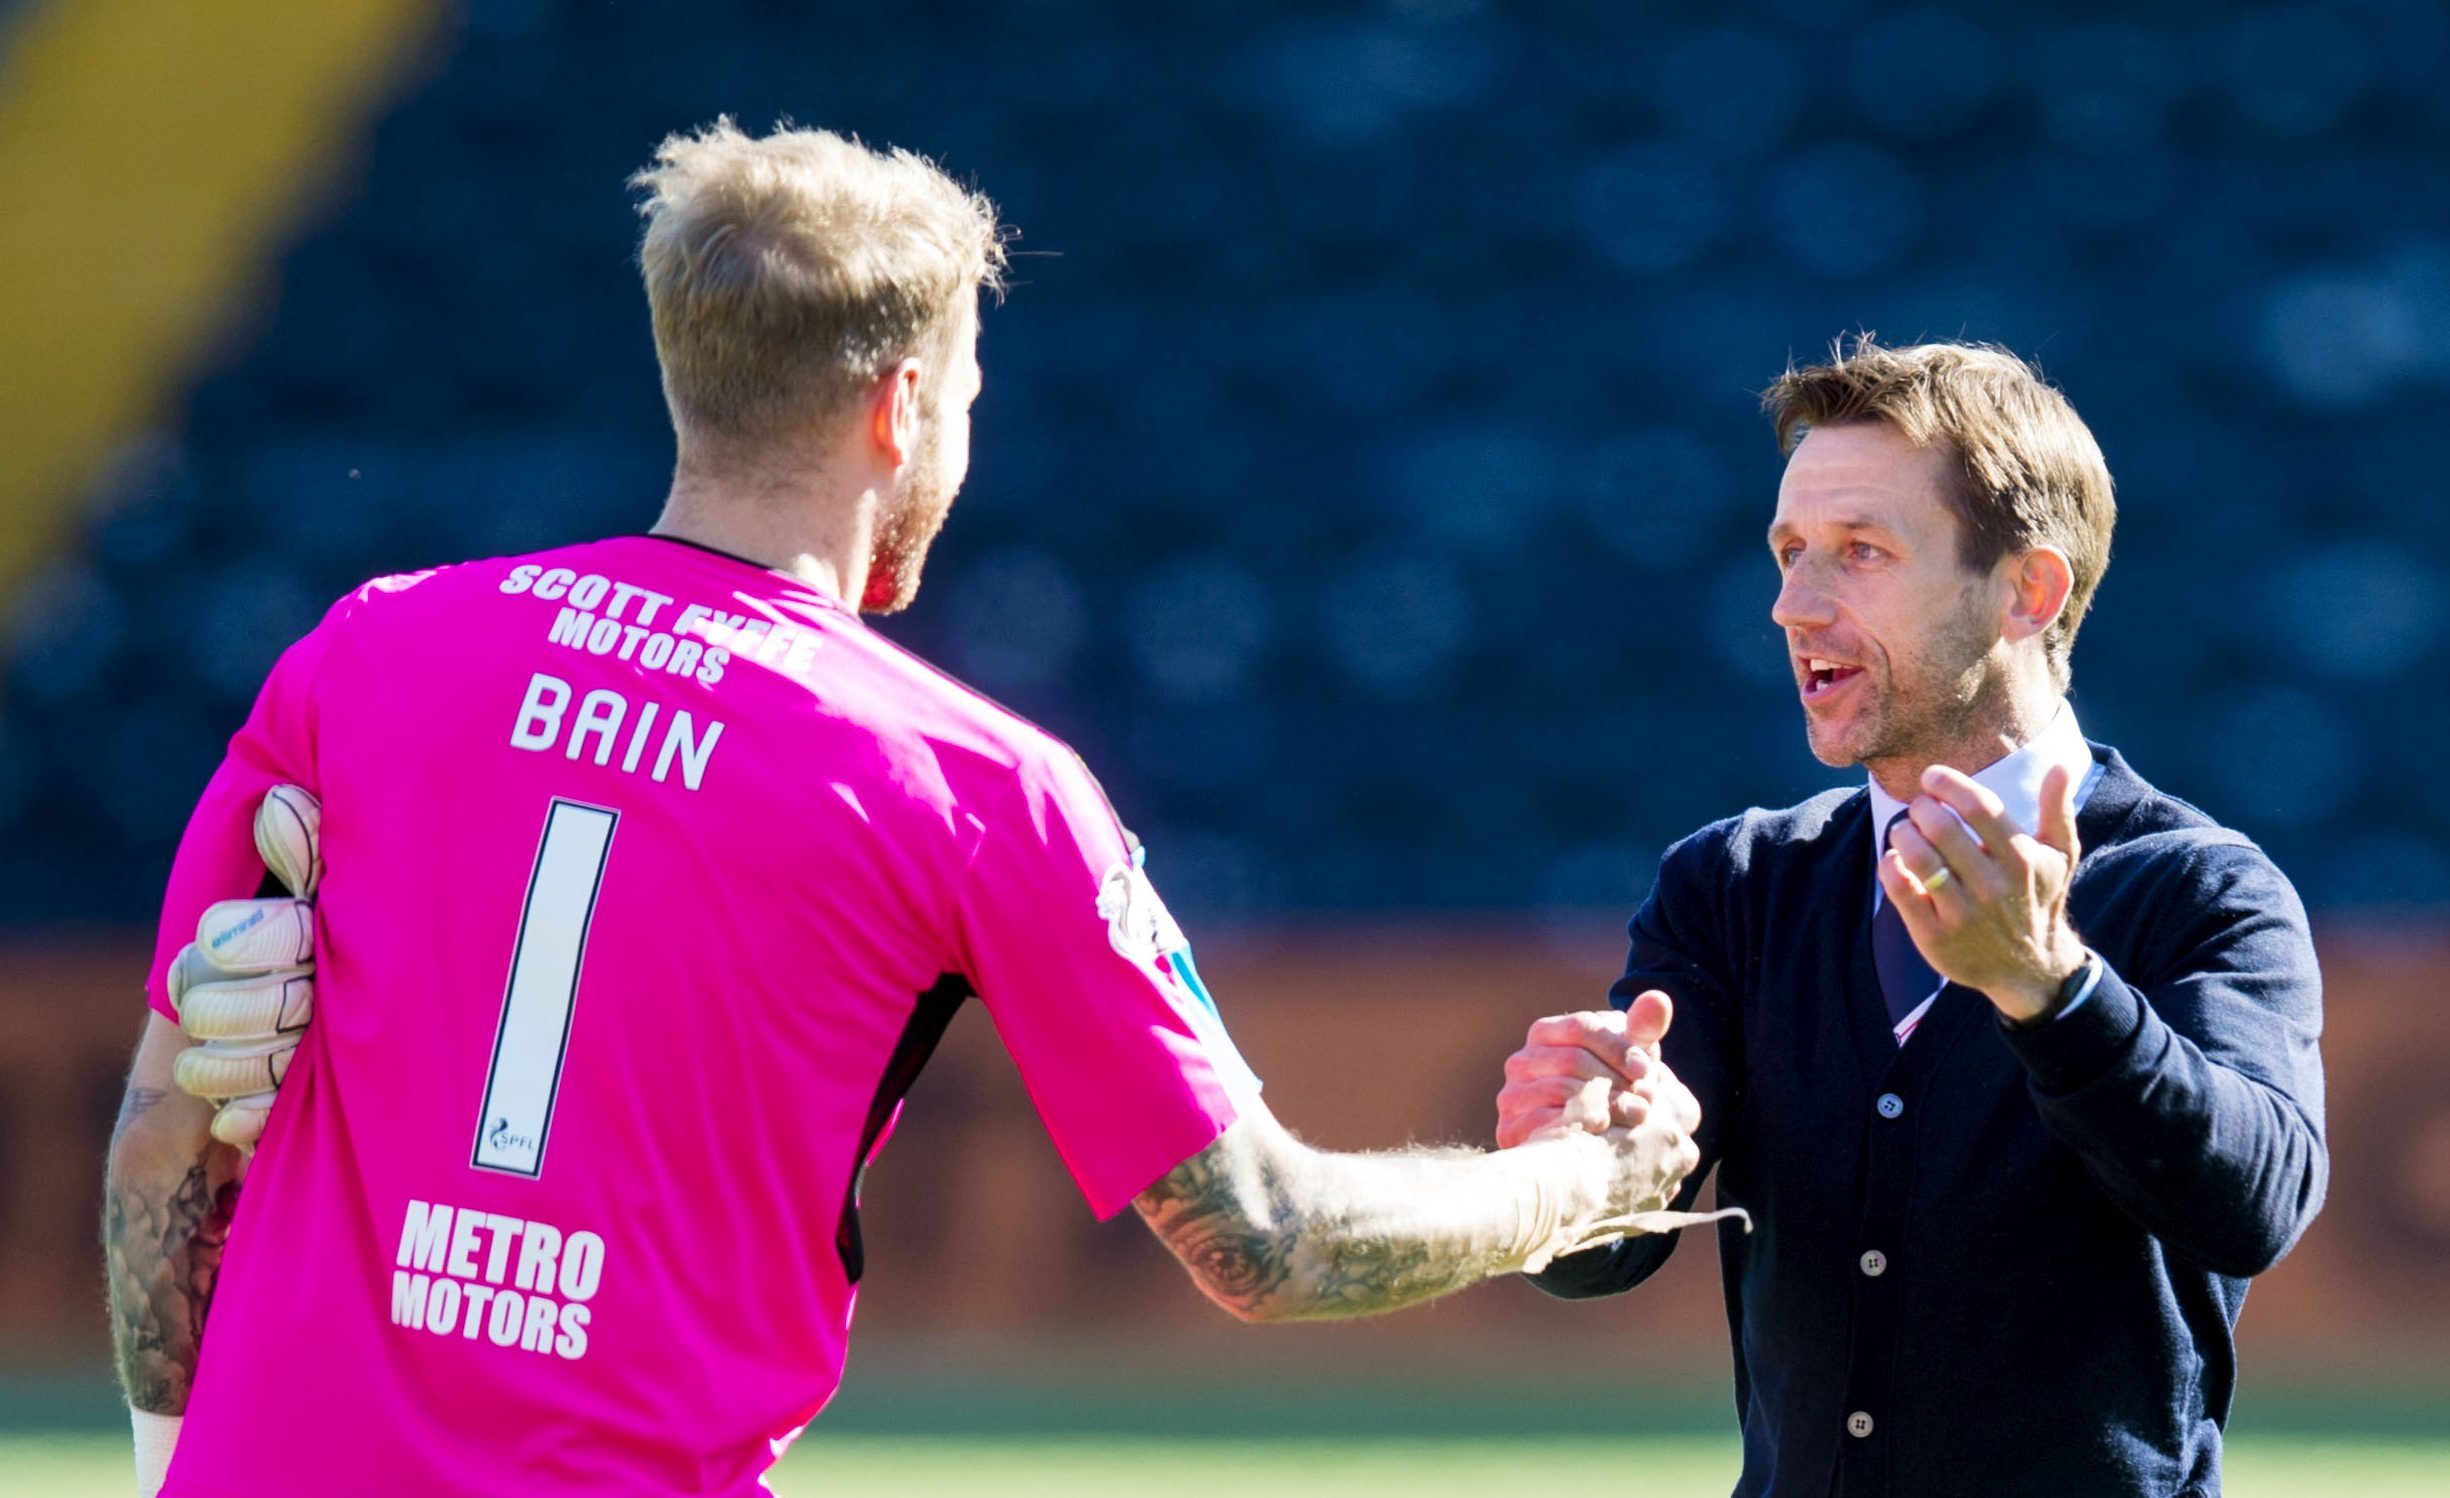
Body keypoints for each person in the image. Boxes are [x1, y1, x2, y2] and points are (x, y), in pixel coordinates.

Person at [103, 121, 1706, 1498]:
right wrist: (1577, 1184)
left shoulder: (367, 650)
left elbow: (171, 1119)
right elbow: (1268, 1240)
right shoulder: (965, 783)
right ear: (901, 404)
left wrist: (176, 1453)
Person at [1494, 339, 2327, 1497]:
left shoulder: (2201, 889)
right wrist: (1571, 1160)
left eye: (1859, 554)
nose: (1792, 605)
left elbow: (2255, 1206)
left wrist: (2053, 990)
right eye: (1787, 554)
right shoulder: (1732, 883)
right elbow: (1603, 1258)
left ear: (2024, 592)